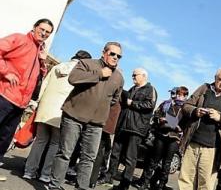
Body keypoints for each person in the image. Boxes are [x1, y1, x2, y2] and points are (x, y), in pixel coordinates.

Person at [46, 42, 124, 190]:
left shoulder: (119, 77)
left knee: (89, 158)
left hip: (96, 123)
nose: (115, 58)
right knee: (65, 153)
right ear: (104, 52)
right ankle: (54, 186)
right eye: (112, 54)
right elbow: (73, 78)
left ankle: (82, 187)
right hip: (73, 116)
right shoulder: (87, 64)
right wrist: (100, 74)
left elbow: (114, 99)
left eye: (118, 56)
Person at [23, 50, 92, 183]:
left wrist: (38, 103)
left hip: (45, 108)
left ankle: (29, 171)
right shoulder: (80, 73)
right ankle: (45, 174)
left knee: (39, 141)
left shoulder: (56, 67)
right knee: (56, 144)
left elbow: (44, 85)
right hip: (61, 112)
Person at [0, 18, 53, 181]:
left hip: (21, 103)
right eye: (41, 29)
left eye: (47, 32)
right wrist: (5, 71)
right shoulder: (19, 39)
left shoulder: (40, 52)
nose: (43, 33)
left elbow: (39, 77)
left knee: (4, 137)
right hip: (4, 95)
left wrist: (43, 61)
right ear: (34, 27)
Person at [177, 68, 221, 190]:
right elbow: (186, 105)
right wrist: (195, 111)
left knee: (205, 183)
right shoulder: (204, 89)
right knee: (185, 179)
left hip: (212, 148)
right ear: (215, 78)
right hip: (193, 142)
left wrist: (220, 118)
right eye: (220, 79)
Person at [104, 68, 157, 190]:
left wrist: (132, 103)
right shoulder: (132, 89)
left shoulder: (150, 89)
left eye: (135, 75)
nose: (132, 77)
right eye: (132, 75)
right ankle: (108, 177)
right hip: (123, 126)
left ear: (144, 76)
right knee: (115, 153)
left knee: (130, 157)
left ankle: (125, 184)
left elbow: (150, 105)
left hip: (136, 129)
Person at [138, 86, 189, 190]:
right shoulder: (166, 104)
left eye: (182, 95)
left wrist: (174, 125)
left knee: (167, 163)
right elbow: (156, 115)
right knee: (154, 161)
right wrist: (160, 119)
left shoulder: (186, 109)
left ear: (186, 97)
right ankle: (145, 182)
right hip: (161, 135)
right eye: (178, 94)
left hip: (174, 138)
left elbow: (186, 125)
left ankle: (161, 185)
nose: (179, 97)